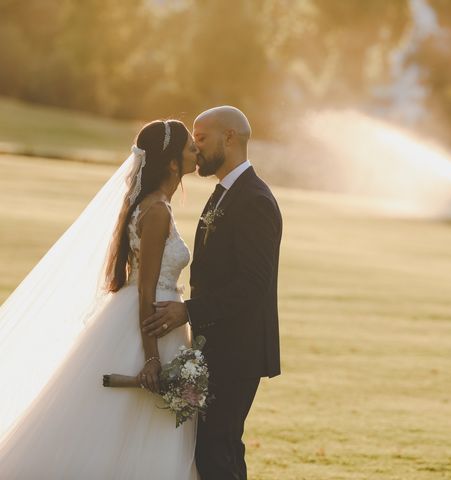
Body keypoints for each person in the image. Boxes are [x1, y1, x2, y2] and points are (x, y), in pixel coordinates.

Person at [0, 120, 200, 479]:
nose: (196, 152)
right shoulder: (156, 212)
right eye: (190, 148)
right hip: (152, 323)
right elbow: (146, 288)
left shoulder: (155, 206)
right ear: (172, 163)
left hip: (152, 319)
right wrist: (152, 358)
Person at [143, 106, 283, 480]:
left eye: (201, 137)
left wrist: (186, 311)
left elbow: (253, 285)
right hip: (217, 344)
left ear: (230, 138)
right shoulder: (224, 193)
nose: (195, 146)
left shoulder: (254, 200)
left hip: (239, 350)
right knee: (219, 450)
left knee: (215, 451)